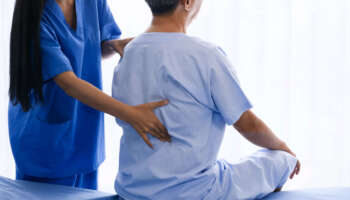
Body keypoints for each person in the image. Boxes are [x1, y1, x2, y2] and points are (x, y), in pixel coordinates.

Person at [112, 0, 301, 199]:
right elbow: (247, 125)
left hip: (132, 190)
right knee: (280, 160)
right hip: (195, 192)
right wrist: (282, 147)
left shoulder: (129, 51)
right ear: (187, 2)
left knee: (225, 166)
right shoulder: (206, 55)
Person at [8, 0, 171, 190]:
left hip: (84, 133)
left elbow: (95, 44)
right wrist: (131, 114)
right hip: (45, 140)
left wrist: (113, 45)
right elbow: (68, 83)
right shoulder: (37, 18)